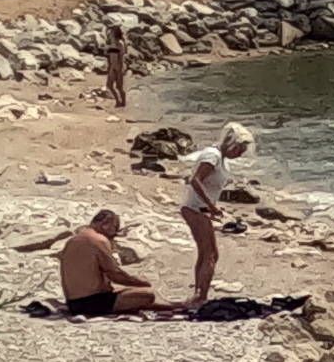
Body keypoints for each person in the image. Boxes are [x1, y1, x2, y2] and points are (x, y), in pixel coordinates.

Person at [177, 124, 252, 307]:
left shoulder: (220, 157)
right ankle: (200, 296)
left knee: (208, 253)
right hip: (196, 208)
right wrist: (210, 206)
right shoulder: (213, 156)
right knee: (209, 254)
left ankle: (199, 294)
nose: (240, 154)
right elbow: (195, 180)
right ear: (230, 144)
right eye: (239, 150)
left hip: (200, 208)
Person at [57, 211, 162, 316]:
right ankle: (173, 305)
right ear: (105, 224)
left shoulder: (74, 240)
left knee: (130, 292)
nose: (115, 233)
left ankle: (173, 305)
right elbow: (115, 275)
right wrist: (144, 283)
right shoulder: (99, 240)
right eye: (115, 227)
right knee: (148, 294)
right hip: (90, 303)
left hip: (73, 303)